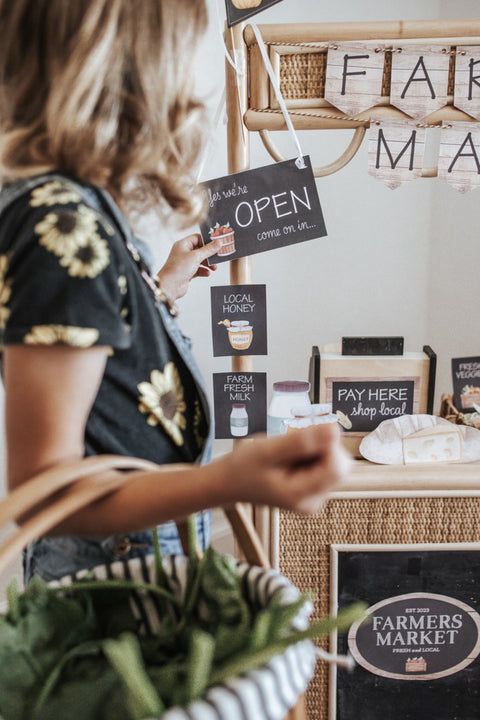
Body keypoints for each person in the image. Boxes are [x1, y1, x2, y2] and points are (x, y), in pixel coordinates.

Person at [0, 0, 351, 584]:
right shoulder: (58, 221)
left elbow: (100, 373)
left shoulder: (69, 204)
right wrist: (230, 481)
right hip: (108, 584)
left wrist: (160, 289)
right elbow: (43, 493)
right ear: (131, 67)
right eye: (180, 55)